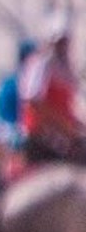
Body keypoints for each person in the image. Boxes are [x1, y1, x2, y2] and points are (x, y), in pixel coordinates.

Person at [18, 13, 84, 162]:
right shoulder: (40, 64)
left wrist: (76, 126)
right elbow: (34, 103)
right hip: (42, 136)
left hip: (62, 135)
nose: (62, 46)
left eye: (65, 41)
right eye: (59, 41)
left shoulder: (64, 68)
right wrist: (65, 127)